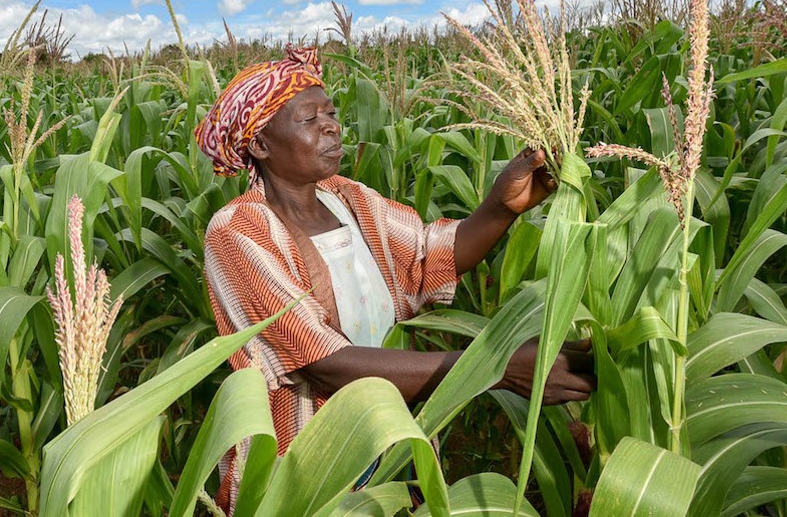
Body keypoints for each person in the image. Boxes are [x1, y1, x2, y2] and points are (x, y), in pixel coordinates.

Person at [196, 45, 595, 511]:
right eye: (309, 119)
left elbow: (426, 257)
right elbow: (325, 363)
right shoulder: (238, 231)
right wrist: (495, 367)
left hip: (389, 435)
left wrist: (500, 207)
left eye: (331, 113)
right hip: (308, 460)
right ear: (261, 145)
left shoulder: (348, 198)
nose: (331, 126)